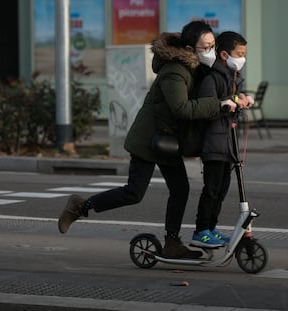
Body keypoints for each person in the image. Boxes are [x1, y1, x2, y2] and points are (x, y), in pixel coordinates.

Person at [57, 21, 241, 259]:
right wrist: (218, 105)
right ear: (189, 48)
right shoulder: (175, 70)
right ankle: (81, 205)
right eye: (205, 47)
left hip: (167, 140)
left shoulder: (196, 68)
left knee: (180, 189)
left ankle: (172, 243)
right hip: (148, 140)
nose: (210, 51)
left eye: (213, 46)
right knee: (134, 193)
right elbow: (181, 108)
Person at [191, 31, 254, 248]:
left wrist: (244, 98)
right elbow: (207, 106)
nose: (242, 58)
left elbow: (237, 94)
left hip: (228, 142)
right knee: (212, 188)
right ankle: (201, 230)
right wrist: (227, 103)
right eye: (240, 53)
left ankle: (211, 227)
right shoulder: (212, 77)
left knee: (222, 189)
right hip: (213, 141)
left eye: (245, 54)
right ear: (225, 55)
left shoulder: (233, 77)